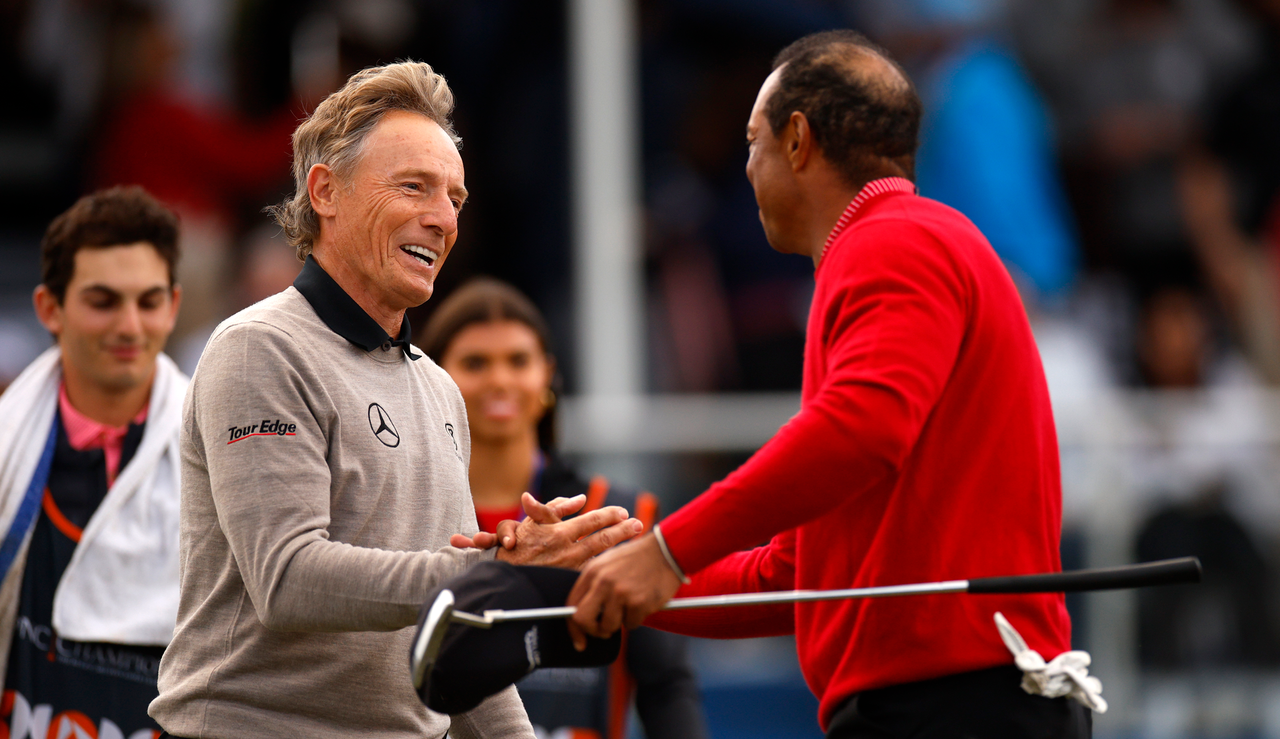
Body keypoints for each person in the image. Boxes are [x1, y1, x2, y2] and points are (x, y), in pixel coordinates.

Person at [560, 31, 1086, 738]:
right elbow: (799, 577)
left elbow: (862, 428)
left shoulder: (892, 238)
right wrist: (617, 578)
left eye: (754, 142)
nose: (746, 167)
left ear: (799, 140)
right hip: (950, 702)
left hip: (951, 706)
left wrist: (667, 550)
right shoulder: (905, 240)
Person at [149, 61, 641, 739]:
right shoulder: (257, 348)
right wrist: (500, 570)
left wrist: (494, 587)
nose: (442, 219)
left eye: (455, 199)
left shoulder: (439, 388)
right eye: (414, 187)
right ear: (325, 190)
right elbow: (288, 578)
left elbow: (455, 638)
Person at [421, 278, 709, 739]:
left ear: (547, 375)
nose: (499, 379)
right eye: (475, 363)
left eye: (518, 361)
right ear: (434, 379)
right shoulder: (406, 513)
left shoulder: (618, 516)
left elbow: (666, 685)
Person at [0, 185, 186, 739]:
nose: (129, 326)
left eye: (148, 301)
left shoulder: (220, 459)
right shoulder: (9, 444)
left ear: (174, 306)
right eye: (104, 301)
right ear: (49, 309)